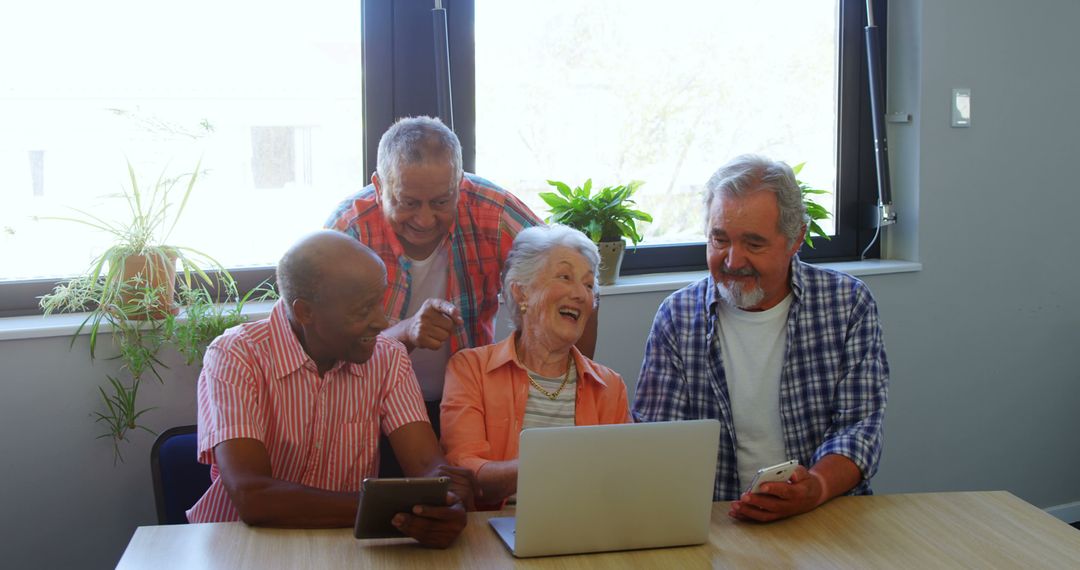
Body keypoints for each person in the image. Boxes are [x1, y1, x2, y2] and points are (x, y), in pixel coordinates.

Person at [632, 154, 889, 523]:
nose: (733, 261)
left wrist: (813, 487)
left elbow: (860, 426)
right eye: (719, 239)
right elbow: (658, 442)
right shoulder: (677, 316)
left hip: (825, 512)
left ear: (795, 238)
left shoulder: (847, 304)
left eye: (753, 244)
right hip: (717, 520)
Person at [187, 230, 474, 549]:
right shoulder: (235, 355)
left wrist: (444, 498)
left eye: (379, 303)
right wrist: (392, 508)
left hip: (340, 546)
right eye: (363, 310)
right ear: (304, 312)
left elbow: (426, 468)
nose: (381, 322)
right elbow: (252, 497)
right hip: (240, 548)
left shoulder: (388, 358)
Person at [325, 116, 598, 438]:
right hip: (367, 404)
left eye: (441, 201)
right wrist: (406, 333)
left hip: (474, 398)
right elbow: (327, 348)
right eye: (408, 202)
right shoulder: (347, 232)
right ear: (379, 186)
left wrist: (572, 391)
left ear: (459, 184)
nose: (425, 220)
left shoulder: (493, 211)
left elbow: (577, 286)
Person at [441, 224, 631, 508]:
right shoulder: (470, 369)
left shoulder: (610, 385)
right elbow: (466, 469)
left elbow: (623, 480)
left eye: (589, 284)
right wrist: (554, 461)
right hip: (495, 530)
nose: (581, 294)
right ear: (521, 293)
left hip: (586, 528)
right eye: (565, 277)